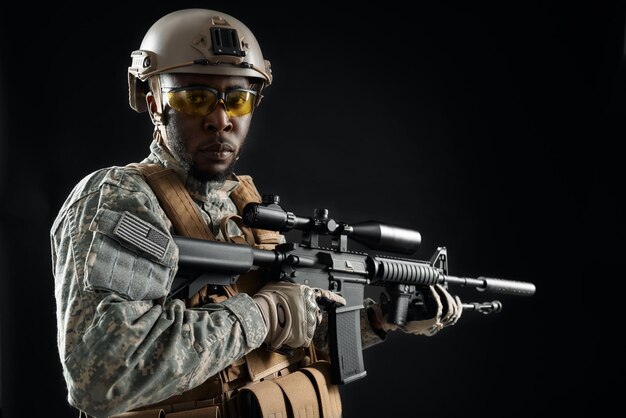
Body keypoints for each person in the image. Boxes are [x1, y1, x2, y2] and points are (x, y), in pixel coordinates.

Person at [50, 8, 463, 418]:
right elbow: (104, 378)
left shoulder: (242, 206)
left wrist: (379, 320)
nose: (220, 119)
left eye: (238, 99)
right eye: (195, 97)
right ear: (152, 100)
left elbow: (276, 348)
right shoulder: (120, 198)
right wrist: (263, 313)